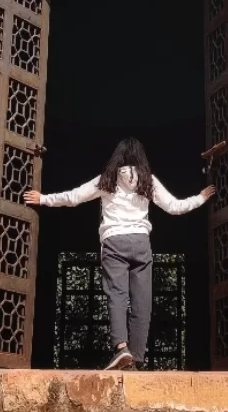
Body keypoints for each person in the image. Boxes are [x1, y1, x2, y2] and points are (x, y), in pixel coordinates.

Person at [25, 136, 214, 371]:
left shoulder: (107, 180)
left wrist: (43, 199)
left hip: (114, 242)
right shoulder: (148, 181)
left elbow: (73, 197)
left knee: (117, 295)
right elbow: (174, 207)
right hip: (140, 243)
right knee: (142, 301)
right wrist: (200, 198)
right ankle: (136, 358)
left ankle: (121, 348)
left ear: (117, 158)